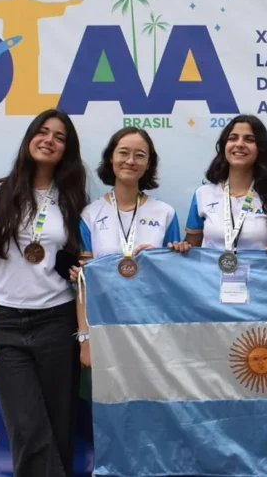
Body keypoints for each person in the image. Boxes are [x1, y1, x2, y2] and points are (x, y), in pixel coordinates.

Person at [0, 108, 88, 477]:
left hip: (57, 321)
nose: (49, 140)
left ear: (66, 150)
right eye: (43, 131)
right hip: (5, 324)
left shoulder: (73, 199)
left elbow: (79, 267)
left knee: (58, 425)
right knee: (27, 426)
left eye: (59, 137)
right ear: (29, 137)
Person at [73, 126, 180, 367]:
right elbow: (83, 283)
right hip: (104, 329)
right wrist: (85, 338)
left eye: (140, 155)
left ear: (149, 163)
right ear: (111, 157)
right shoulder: (90, 215)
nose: (130, 161)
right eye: (123, 152)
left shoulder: (165, 214)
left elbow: (173, 281)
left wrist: (157, 263)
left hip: (152, 331)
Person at [169, 114, 267, 257]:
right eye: (233, 138)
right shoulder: (203, 194)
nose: (239, 144)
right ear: (224, 145)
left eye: (249, 139)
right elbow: (191, 247)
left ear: (260, 148)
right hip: (210, 278)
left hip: (259, 278)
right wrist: (180, 247)